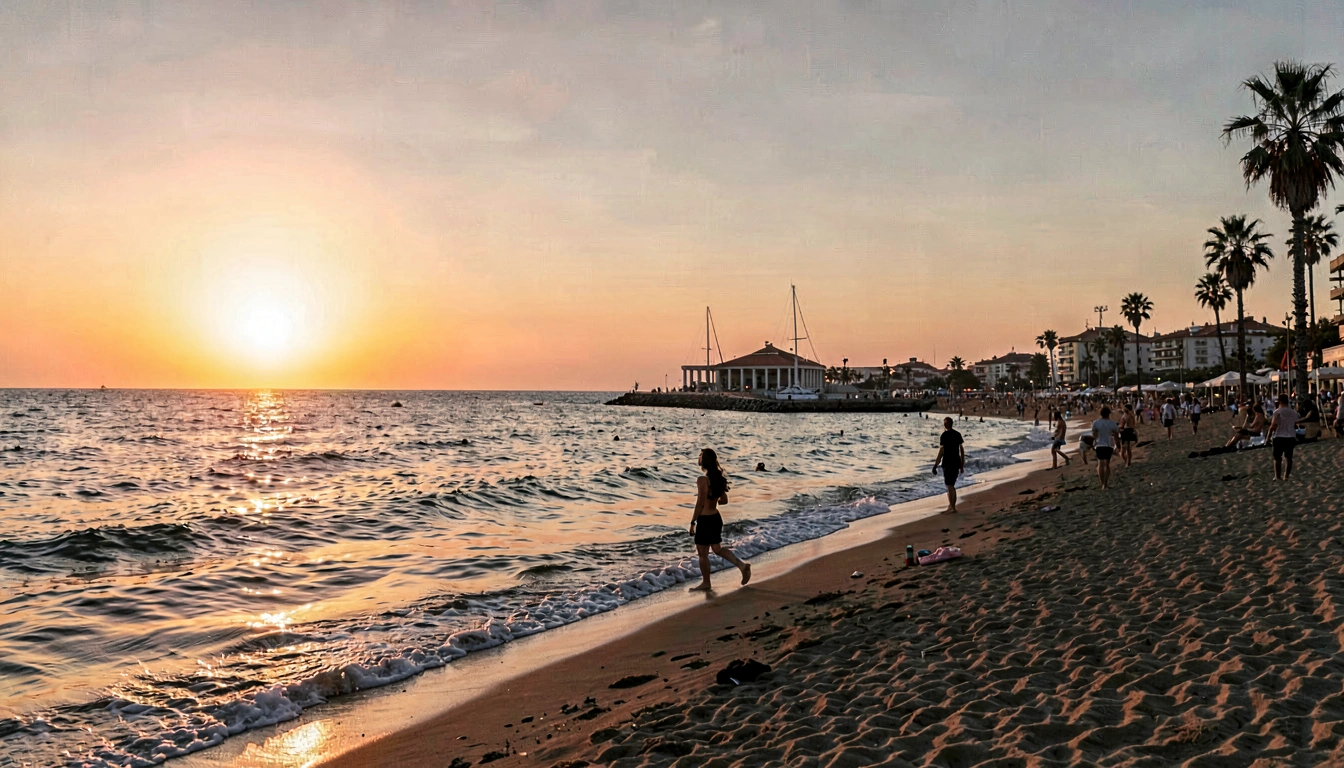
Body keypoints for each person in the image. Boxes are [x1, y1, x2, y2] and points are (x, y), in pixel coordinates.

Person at [688, 448, 751, 591]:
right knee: (716, 548)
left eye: (701, 456)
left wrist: (693, 522)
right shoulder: (718, 479)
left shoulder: (702, 480)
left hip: (705, 520)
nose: (699, 458)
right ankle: (742, 565)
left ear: (704, 461)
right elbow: (724, 500)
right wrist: (713, 499)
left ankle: (706, 583)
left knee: (702, 553)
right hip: (716, 518)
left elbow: (700, 502)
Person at [932, 417, 965, 514]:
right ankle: (951, 505)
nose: (944, 425)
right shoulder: (957, 434)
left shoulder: (944, 435)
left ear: (947, 424)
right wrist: (962, 464)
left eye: (945, 423)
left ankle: (953, 507)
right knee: (950, 485)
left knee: (950, 485)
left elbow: (941, 451)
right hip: (955, 462)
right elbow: (962, 450)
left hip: (948, 462)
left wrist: (935, 464)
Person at [1268, 394, 1300, 480]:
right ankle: (1286, 476)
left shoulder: (1277, 412)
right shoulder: (1293, 412)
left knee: (1277, 457)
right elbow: (1296, 423)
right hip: (1290, 436)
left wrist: (1268, 436)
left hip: (1279, 436)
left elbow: (1273, 425)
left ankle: (1277, 476)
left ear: (1280, 401)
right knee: (1289, 457)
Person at [1091, 407, 1120, 490]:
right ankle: (1105, 483)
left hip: (1099, 444)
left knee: (1100, 464)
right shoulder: (1112, 423)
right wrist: (1118, 445)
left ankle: (1102, 483)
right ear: (1109, 414)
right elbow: (1116, 435)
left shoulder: (1096, 423)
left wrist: (1094, 443)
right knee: (1107, 464)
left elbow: (1094, 434)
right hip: (1109, 444)